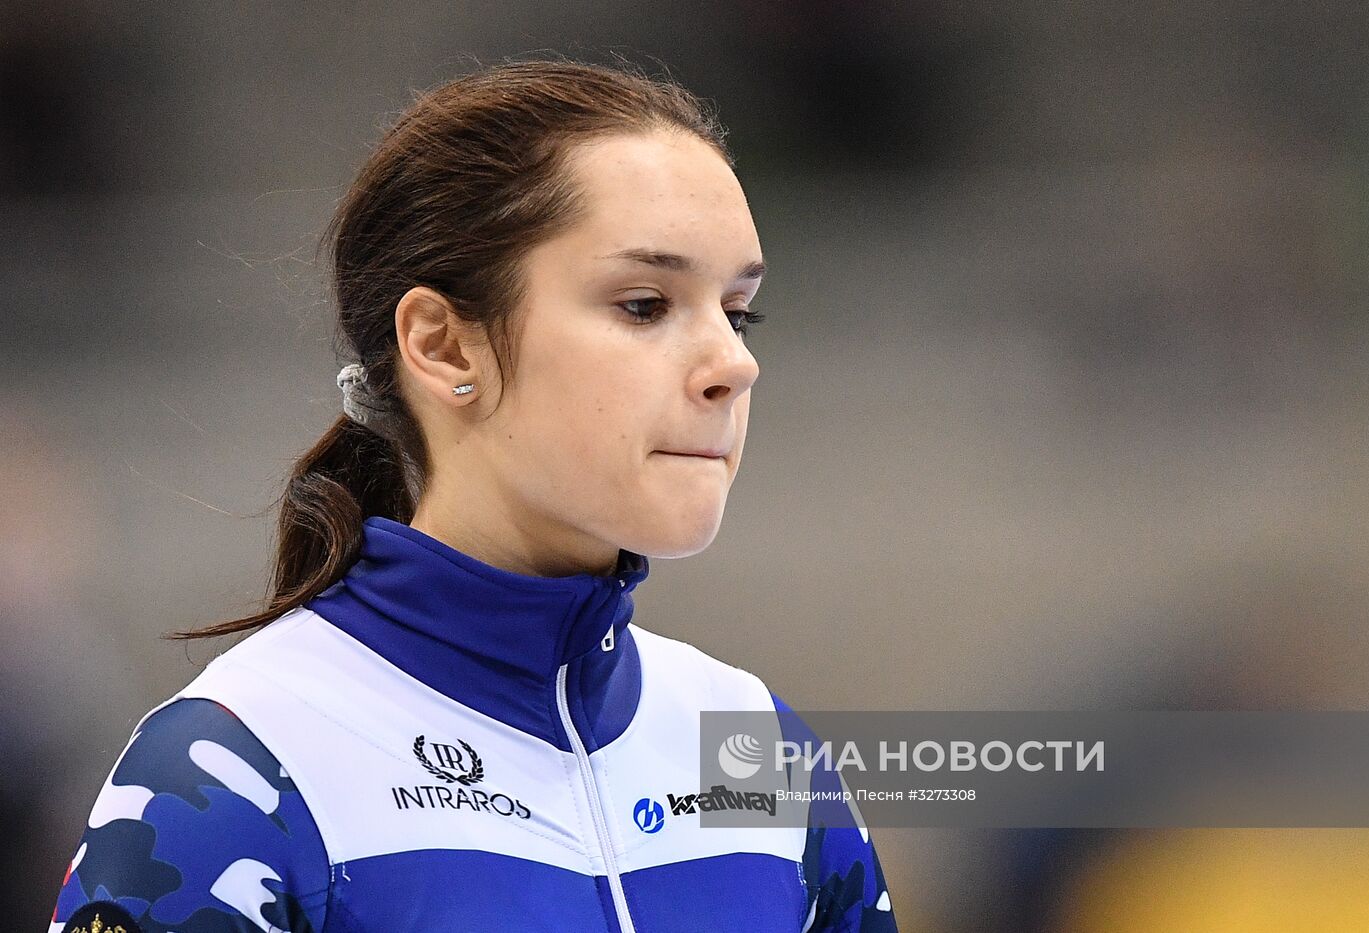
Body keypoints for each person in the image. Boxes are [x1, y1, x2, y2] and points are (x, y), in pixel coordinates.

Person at [49, 58, 897, 932]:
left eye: (738, 310)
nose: (733, 362)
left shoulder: (757, 751)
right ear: (445, 346)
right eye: (646, 303)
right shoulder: (240, 765)